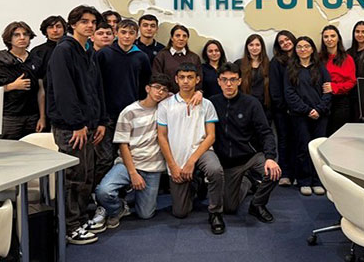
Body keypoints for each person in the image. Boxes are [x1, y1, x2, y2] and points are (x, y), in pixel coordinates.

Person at [47, 5, 108, 245]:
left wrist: (101, 120)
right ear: (73, 24)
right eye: (84, 21)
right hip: (71, 127)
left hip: (89, 125)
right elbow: (64, 91)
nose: (90, 25)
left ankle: (80, 219)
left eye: (93, 21)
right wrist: (77, 123)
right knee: (73, 179)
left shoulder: (88, 51)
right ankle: (70, 227)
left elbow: (96, 89)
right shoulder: (64, 50)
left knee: (86, 176)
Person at [94, 73, 171, 228]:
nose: (160, 92)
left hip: (153, 167)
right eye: (157, 88)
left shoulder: (165, 110)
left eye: (164, 90)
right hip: (129, 163)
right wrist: (133, 173)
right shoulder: (129, 111)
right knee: (103, 191)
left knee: (145, 214)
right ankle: (118, 208)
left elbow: (183, 97)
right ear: (147, 88)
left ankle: (135, 196)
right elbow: (123, 145)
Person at [156, 63, 225, 234]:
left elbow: (211, 136)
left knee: (215, 170)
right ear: (176, 79)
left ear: (197, 80)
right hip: (177, 156)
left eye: (190, 77)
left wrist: (191, 161)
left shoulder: (206, 104)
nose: (186, 81)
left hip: (202, 151)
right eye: (182, 77)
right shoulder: (165, 105)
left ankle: (216, 212)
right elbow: (162, 137)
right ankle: (196, 182)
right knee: (180, 212)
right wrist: (172, 165)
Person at [210, 62, 280, 223]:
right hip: (228, 163)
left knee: (274, 172)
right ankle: (248, 182)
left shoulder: (251, 103)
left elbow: (266, 132)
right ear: (219, 81)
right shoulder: (211, 103)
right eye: (224, 79)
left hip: (251, 157)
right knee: (229, 208)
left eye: (233, 79)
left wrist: (270, 157)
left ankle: (257, 205)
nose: (229, 84)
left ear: (239, 81)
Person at [93, 19, 152, 187]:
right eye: (123, 32)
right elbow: (95, 86)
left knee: (129, 156)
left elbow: (145, 86)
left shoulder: (141, 57)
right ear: (116, 33)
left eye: (131, 33)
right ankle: (99, 193)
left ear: (136, 35)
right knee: (105, 158)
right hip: (107, 116)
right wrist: (99, 116)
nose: (127, 36)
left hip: (131, 116)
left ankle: (122, 192)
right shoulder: (104, 54)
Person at [0, 21, 45, 140]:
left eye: (25, 34)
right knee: (7, 149)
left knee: (32, 149)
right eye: (17, 35)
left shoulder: (36, 60)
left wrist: (42, 117)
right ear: (9, 39)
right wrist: (11, 86)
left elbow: (41, 91)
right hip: (9, 117)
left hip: (32, 116)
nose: (22, 38)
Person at [284, 36, 331, 196]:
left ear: (312, 49)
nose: (303, 49)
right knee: (303, 148)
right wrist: (307, 110)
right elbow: (289, 94)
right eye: (299, 47)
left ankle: (317, 181)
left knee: (319, 149)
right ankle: (304, 181)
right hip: (300, 116)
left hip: (321, 115)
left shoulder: (321, 68)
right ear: (296, 50)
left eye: (306, 46)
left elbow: (328, 91)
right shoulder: (291, 69)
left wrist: (319, 109)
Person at [269, 30, 297, 187]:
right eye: (281, 42)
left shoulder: (301, 58)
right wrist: (284, 107)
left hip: (299, 109)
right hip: (282, 110)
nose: (285, 43)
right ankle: (285, 174)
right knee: (284, 141)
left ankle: (297, 173)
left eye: (287, 39)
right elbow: (275, 88)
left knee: (298, 141)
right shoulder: (276, 62)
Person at [320, 25, 356, 136]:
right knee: (323, 134)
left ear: (338, 38)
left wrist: (334, 87)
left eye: (332, 36)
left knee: (337, 136)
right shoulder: (318, 58)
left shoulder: (347, 59)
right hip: (322, 101)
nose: (329, 39)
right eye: (326, 37)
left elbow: (351, 82)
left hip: (340, 102)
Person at [152, 24, 202, 95]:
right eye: (177, 35)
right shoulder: (162, 56)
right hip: (166, 96)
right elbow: (156, 78)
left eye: (184, 36)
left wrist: (198, 92)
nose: (181, 39)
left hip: (190, 97)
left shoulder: (194, 57)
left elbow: (199, 79)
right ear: (172, 38)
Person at [235, 34, 270, 120]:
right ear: (247, 47)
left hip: (264, 107)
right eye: (251, 45)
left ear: (262, 47)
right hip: (244, 106)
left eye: (257, 45)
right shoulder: (239, 64)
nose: (254, 48)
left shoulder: (269, 65)